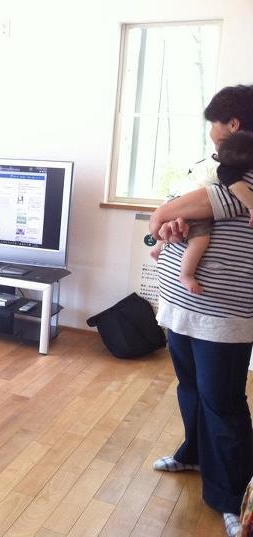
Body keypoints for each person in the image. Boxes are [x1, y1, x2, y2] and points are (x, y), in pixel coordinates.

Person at [149, 84, 253, 537]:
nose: (211, 133)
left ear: (233, 124)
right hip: (182, 304)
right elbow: (171, 218)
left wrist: (168, 213)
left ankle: (233, 497)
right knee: (190, 387)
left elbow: (174, 209)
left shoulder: (243, 175)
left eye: (214, 124)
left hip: (224, 313)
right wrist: (171, 223)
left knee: (223, 403)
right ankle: (193, 453)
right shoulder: (218, 170)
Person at [151, 129, 253, 294]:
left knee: (169, 227)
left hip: (177, 199)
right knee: (200, 240)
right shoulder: (225, 171)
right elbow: (238, 188)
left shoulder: (205, 162)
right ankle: (186, 274)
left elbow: (164, 211)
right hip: (190, 210)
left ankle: (157, 249)